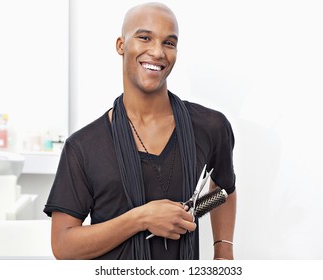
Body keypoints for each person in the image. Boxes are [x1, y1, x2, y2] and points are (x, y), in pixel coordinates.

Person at [44, 2, 236, 260]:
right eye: (145, 37)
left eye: (169, 43)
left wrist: (223, 251)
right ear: (121, 45)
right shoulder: (83, 147)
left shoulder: (210, 126)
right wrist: (141, 218)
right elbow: (63, 245)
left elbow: (223, 188)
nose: (157, 52)